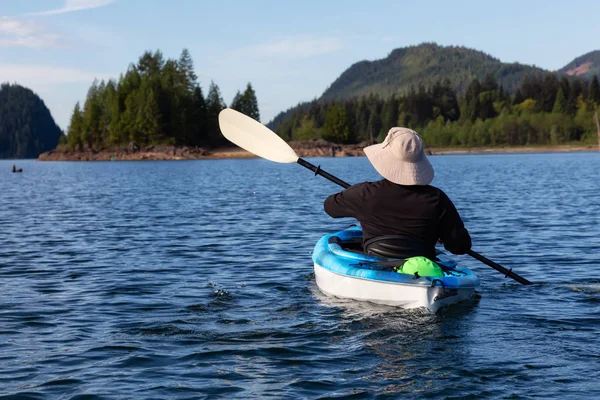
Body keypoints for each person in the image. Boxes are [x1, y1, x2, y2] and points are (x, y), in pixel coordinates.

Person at [324, 127, 471, 261]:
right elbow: (460, 247)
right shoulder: (437, 199)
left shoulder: (364, 193)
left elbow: (329, 207)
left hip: (376, 268)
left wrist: (353, 195)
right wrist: (442, 234)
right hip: (423, 273)